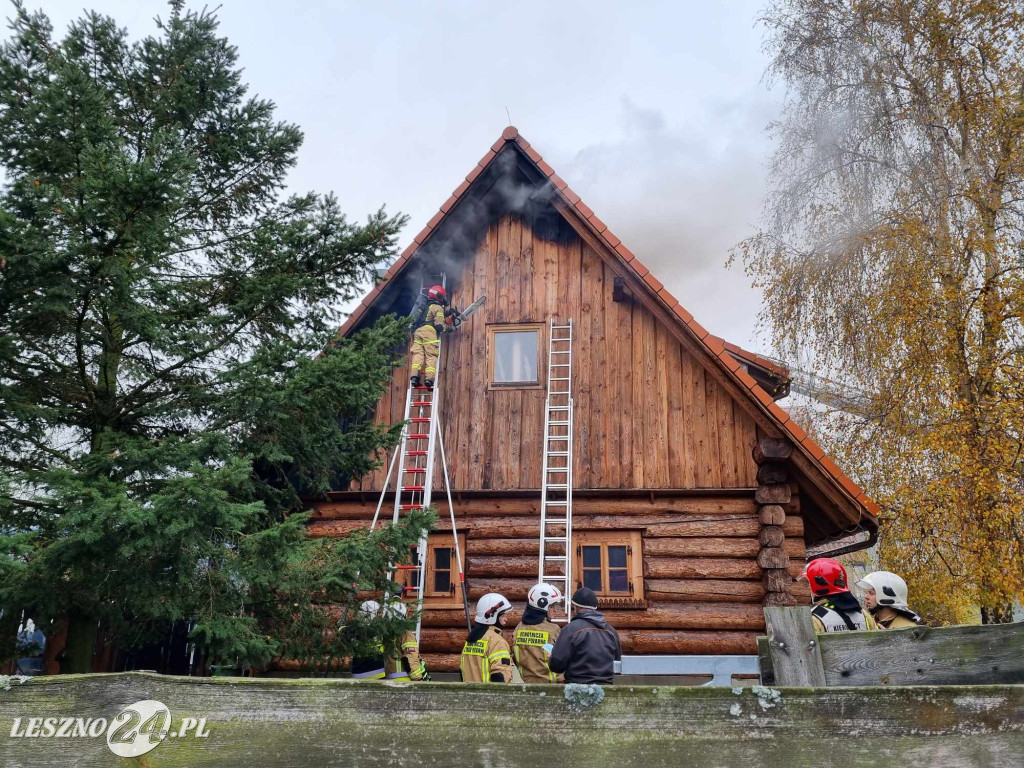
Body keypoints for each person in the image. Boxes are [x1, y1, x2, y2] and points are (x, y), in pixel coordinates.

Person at [547, 587, 621, 684]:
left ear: (577, 607)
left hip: (577, 689)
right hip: (606, 689)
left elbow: (557, 666)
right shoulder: (612, 632)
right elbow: (618, 662)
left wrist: (552, 658)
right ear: (595, 608)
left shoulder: (570, 629)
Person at [799, 558, 878, 632]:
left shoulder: (813, 618)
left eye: (807, 584)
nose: (806, 588)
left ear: (817, 584)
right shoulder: (863, 614)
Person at [513, 583, 565, 684]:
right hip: (551, 687)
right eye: (552, 606)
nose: (555, 609)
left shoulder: (518, 628)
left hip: (526, 686)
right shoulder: (553, 630)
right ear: (542, 604)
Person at [460, 593, 516, 683]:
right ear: (493, 616)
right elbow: (500, 677)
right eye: (503, 616)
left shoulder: (470, 640)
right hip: (488, 696)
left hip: (468, 695)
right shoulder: (497, 642)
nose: (506, 619)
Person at [408, 284, 450, 390]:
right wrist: (449, 328)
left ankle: (414, 377)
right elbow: (439, 326)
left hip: (417, 332)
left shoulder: (425, 306)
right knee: (431, 355)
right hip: (429, 332)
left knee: (418, 354)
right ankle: (429, 380)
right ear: (439, 296)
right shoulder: (437, 307)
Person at [856, 571, 923, 628]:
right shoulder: (871, 623)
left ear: (886, 597)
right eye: (866, 593)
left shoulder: (907, 628)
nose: (866, 596)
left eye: (871, 593)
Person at [383, 601, 430, 681]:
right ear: (403, 615)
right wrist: (418, 678)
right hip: (403, 679)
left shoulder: (387, 633)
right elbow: (410, 656)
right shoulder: (406, 634)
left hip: (390, 677)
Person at [348, 600, 386, 679]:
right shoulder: (379, 629)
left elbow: (344, 635)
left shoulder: (353, 629)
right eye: (378, 613)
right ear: (372, 613)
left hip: (357, 674)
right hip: (378, 674)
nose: (379, 615)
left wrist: (342, 628)